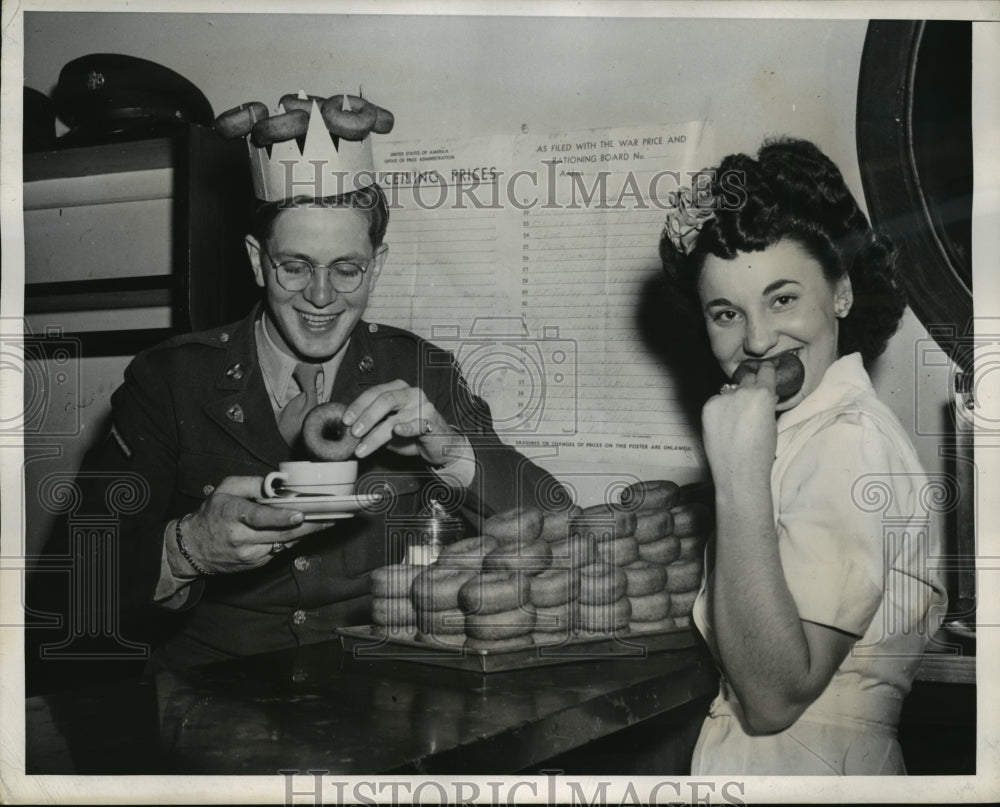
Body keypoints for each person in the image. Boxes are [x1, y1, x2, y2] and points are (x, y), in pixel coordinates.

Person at [30, 93, 561, 678]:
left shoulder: (419, 369)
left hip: (380, 691)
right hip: (208, 698)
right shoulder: (170, 380)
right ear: (258, 261)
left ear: (376, 266)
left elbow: (557, 529)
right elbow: (69, 580)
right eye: (295, 266)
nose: (321, 295)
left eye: (347, 268)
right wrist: (185, 549)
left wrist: (454, 452)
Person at [659, 138, 947, 775]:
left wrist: (736, 476)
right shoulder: (801, 432)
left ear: (841, 294)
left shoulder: (849, 441)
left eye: (782, 299)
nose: (758, 340)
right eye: (726, 312)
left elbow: (772, 698)